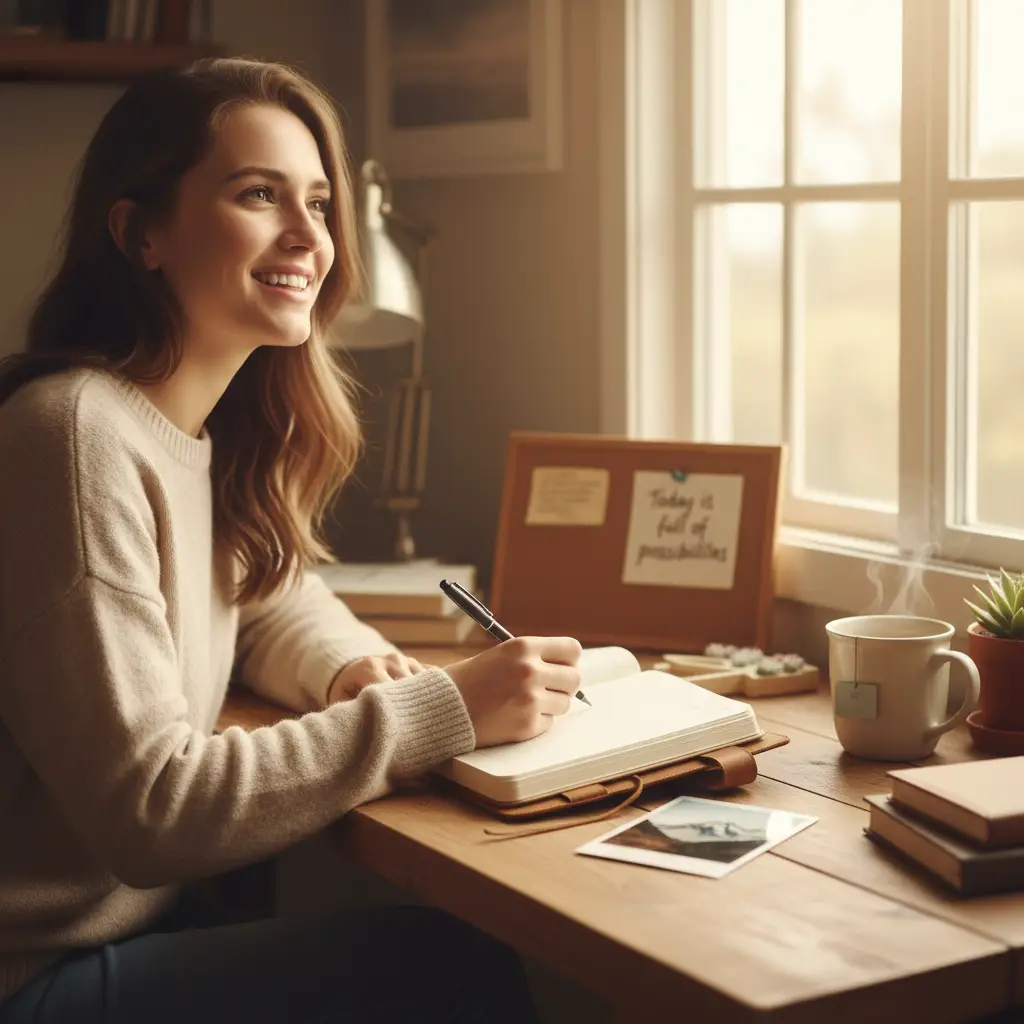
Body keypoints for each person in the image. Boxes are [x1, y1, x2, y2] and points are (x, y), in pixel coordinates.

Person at [0, 56, 583, 1023]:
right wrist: (441, 711)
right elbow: (154, 809)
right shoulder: (73, 438)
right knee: (452, 967)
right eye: (259, 195)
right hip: (28, 976)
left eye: (318, 201)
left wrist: (354, 667)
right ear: (138, 231)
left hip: (121, 934)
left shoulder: (190, 430)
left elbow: (269, 595)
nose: (309, 236)